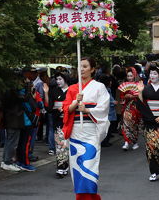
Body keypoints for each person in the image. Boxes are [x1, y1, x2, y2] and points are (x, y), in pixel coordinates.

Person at [62, 57, 110, 200]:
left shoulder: (99, 87)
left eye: (85, 66)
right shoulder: (72, 88)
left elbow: (104, 107)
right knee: (77, 166)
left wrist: (88, 110)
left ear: (92, 69)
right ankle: (84, 197)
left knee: (90, 164)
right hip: (76, 131)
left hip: (91, 131)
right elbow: (66, 110)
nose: (81, 69)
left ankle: (89, 196)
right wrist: (76, 102)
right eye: (79, 66)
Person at [44, 72, 69, 178]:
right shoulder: (54, 91)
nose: (58, 81)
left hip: (70, 121)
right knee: (60, 145)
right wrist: (46, 93)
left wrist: (65, 107)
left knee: (69, 145)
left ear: (65, 79)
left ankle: (67, 165)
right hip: (58, 121)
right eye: (57, 79)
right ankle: (60, 167)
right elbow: (49, 108)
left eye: (60, 79)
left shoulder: (72, 90)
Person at [120, 67, 142, 151]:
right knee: (125, 122)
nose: (129, 77)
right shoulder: (125, 84)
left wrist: (134, 96)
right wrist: (125, 96)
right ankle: (126, 142)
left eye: (131, 76)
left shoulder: (138, 85)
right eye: (128, 76)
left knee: (133, 124)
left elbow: (141, 96)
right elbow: (121, 96)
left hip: (135, 106)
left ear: (134, 75)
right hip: (127, 106)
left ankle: (134, 142)